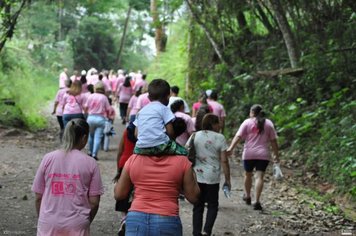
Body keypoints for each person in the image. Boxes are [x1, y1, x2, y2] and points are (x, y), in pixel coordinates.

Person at [32, 118, 104, 236]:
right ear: (84, 138)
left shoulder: (48, 158)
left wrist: (43, 218)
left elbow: (38, 196)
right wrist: (86, 220)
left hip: (49, 221)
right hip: (78, 223)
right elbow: (94, 202)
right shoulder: (91, 163)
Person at [114, 149, 200, 236]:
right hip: (166, 219)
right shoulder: (182, 161)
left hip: (136, 218)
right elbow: (193, 197)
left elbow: (119, 194)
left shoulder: (133, 159)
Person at [226, 104, 280, 210]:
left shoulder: (247, 122)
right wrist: (276, 155)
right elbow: (273, 141)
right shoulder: (269, 123)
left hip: (249, 154)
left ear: (252, 112)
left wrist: (230, 148)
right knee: (259, 177)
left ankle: (247, 196)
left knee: (248, 174)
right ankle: (257, 201)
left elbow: (238, 136)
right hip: (263, 154)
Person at [186, 114, 231, 236]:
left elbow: (186, 151)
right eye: (218, 123)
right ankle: (206, 231)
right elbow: (224, 160)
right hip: (213, 176)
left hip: (197, 176)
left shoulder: (195, 135)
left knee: (198, 205)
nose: (220, 125)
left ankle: (196, 232)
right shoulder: (220, 138)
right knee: (212, 205)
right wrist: (227, 179)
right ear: (213, 124)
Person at [133, 79, 187, 156]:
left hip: (140, 148)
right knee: (184, 152)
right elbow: (170, 132)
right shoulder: (164, 109)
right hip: (161, 146)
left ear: (148, 97)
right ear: (168, 97)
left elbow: (136, 134)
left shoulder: (141, 111)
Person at [85, 82, 112, 160]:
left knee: (90, 136)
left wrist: (87, 113)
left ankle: (90, 152)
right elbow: (108, 109)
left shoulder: (90, 96)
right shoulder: (104, 97)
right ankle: (94, 154)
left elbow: (86, 107)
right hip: (100, 118)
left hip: (90, 118)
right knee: (98, 137)